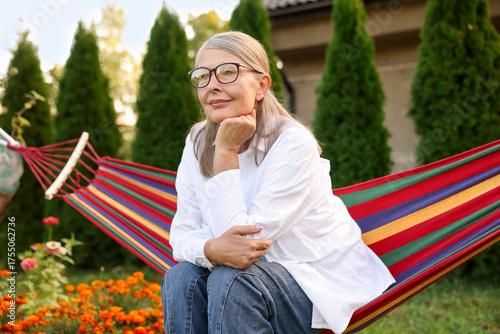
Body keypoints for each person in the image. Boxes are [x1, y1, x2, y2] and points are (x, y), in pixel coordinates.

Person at [161, 31, 395, 334]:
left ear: (262, 85)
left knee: (231, 280)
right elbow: (181, 235)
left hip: (315, 282)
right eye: (202, 76)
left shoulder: (292, 142)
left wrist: (227, 152)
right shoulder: (196, 141)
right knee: (181, 279)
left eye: (228, 72)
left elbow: (245, 250)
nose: (213, 85)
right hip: (246, 281)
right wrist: (212, 249)